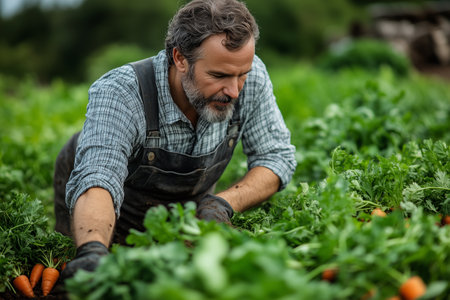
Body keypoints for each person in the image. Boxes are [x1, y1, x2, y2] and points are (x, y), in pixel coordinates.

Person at [54, 0, 296, 279]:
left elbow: (275, 157)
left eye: (242, 75)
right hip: (102, 212)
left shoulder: (250, 77)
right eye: (218, 75)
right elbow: (98, 178)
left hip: (188, 213)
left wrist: (221, 203)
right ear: (180, 59)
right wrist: (92, 250)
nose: (234, 90)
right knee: (90, 267)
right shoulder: (122, 91)